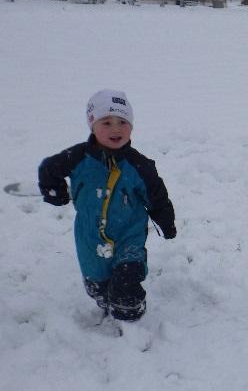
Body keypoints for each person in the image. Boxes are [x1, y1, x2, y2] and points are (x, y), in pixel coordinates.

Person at [38, 89, 176, 322]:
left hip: (128, 234)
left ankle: (131, 317)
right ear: (92, 124)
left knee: (126, 284)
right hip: (90, 236)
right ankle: (104, 296)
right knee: (97, 287)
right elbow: (48, 169)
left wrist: (165, 222)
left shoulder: (139, 165)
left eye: (123, 122)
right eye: (107, 122)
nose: (116, 129)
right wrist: (56, 193)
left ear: (131, 127)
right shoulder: (77, 158)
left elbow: (157, 195)